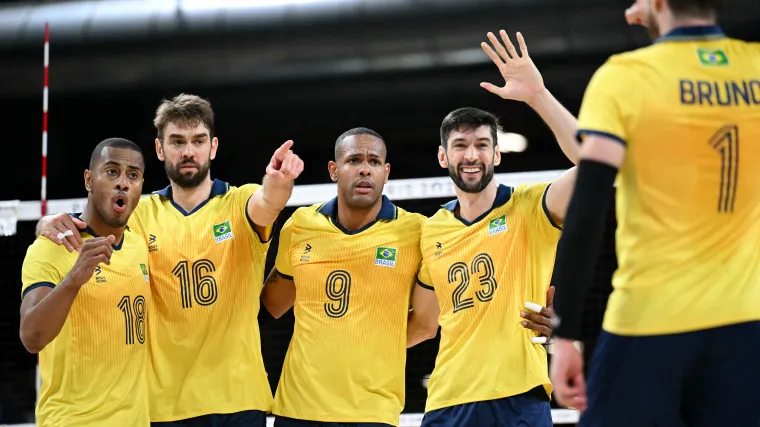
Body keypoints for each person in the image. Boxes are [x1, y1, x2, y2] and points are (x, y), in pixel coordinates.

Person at [548, 0, 760, 426]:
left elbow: (587, 210)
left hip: (650, 322)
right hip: (747, 321)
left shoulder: (627, 76)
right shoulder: (754, 65)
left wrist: (565, 333)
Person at [36, 94, 304, 426]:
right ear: (160, 150)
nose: (188, 151)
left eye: (198, 141)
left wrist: (279, 184)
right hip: (163, 407)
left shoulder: (239, 201)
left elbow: (267, 203)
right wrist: (46, 223)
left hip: (237, 399)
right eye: (177, 141)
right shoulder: (140, 212)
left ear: (214, 147)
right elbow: (94, 220)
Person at [406, 32, 580, 427]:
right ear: (442, 156)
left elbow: (594, 161)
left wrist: (538, 95)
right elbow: (423, 324)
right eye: (461, 145)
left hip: (518, 399)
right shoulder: (431, 230)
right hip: (447, 401)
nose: (471, 155)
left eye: (483, 145)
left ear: (497, 154)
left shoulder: (530, 205)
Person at [20, 138, 150, 426]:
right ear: (89, 180)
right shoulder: (52, 246)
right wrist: (74, 279)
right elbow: (31, 337)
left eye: (133, 175)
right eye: (112, 171)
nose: (123, 183)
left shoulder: (141, 246)